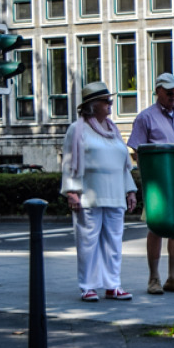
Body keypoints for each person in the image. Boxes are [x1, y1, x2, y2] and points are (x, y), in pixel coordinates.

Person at [61, 82, 139, 302]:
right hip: (89, 193)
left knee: (114, 242)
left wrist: (130, 190)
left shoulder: (113, 129)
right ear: (92, 105)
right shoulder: (77, 129)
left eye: (110, 101)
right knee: (88, 242)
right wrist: (71, 191)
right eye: (106, 101)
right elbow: (68, 162)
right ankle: (87, 286)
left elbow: (123, 165)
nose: (110, 105)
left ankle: (113, 285)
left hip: (115, 193)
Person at [128, 73, 174, 295]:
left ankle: (173, 277)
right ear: (158, 91)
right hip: (158, 182)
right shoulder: (146, 118)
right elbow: (136, 150)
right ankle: (153, 277)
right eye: (169, 92)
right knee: (155, 227)